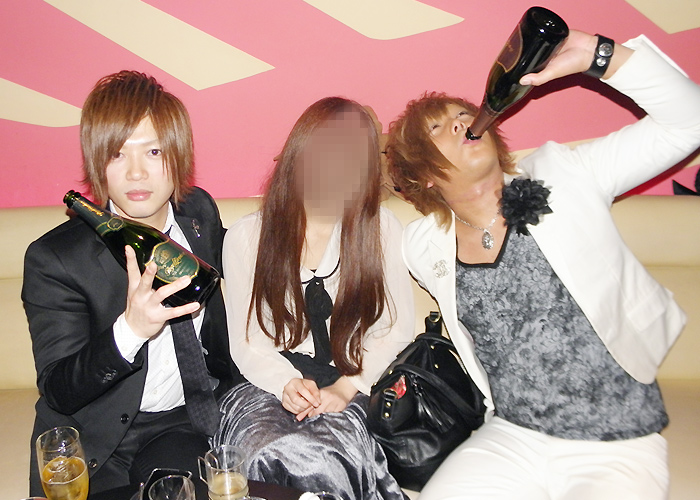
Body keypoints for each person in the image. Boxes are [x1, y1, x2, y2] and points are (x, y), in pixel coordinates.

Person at [385, 30, 700, 500]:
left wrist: (596, 55)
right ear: (426, 175)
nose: (461, 121)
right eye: (437, 127)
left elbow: (689, 121)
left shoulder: (567, 175)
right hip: (511, 437)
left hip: (618, 440)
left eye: (462, 114)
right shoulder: (422, 243)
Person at [23, 71, 242, 495]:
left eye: (154, 151)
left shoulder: (199, 214)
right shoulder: (56, 258)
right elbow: (59, 389)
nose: (137, 173)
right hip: (93, 440)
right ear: (96, 161)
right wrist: (131, 329)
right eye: (118, 154)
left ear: (178, 155)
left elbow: (247, 260)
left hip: (178, 425)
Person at [214, 97, 415, 499]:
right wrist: (286, 383)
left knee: (327, 458)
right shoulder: (247, 237)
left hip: (355, 380)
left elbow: (397, 330)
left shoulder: (381, 229)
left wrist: (346, 387)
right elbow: (248, 342)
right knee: (266, 452)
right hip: (268, 381)